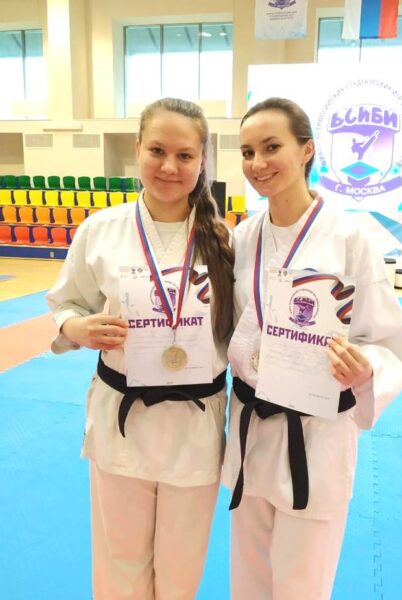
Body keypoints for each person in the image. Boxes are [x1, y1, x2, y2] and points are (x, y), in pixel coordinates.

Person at [222, 97, 402, 600]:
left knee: (303, 583)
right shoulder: (243, 237)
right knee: (248, 578)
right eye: (247, 152)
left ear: (306, 150)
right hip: (251, 422)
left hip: (316, 429)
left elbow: (387, 340)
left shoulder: (349, 238)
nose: (257, 163)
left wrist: (364, 369)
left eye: (271, 147)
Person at [46, 98, 234, 600]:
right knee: (119, 560)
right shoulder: (100, 229)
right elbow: (65, 304)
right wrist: (78, 327)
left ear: (202, 160)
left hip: (194, 421)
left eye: (185, 155)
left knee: (181, 565)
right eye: (157, 151)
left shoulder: (225, 240)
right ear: (137, 149)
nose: (169, 166)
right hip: (122, 417)